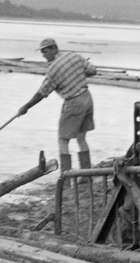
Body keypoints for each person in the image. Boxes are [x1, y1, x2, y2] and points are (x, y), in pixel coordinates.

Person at [18, 38, 97, 170]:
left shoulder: (53, 69)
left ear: (55, 48)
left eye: (46, 51)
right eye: (42, 52)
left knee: (63, 140)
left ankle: (65, 178)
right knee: (81, 137)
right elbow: (92, 71)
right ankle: (86, 175)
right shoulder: (74, 56)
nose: (44, 54)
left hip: (73, 102)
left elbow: (41, 93)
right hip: (87, 98)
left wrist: (25, 107)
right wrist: (76, 75)